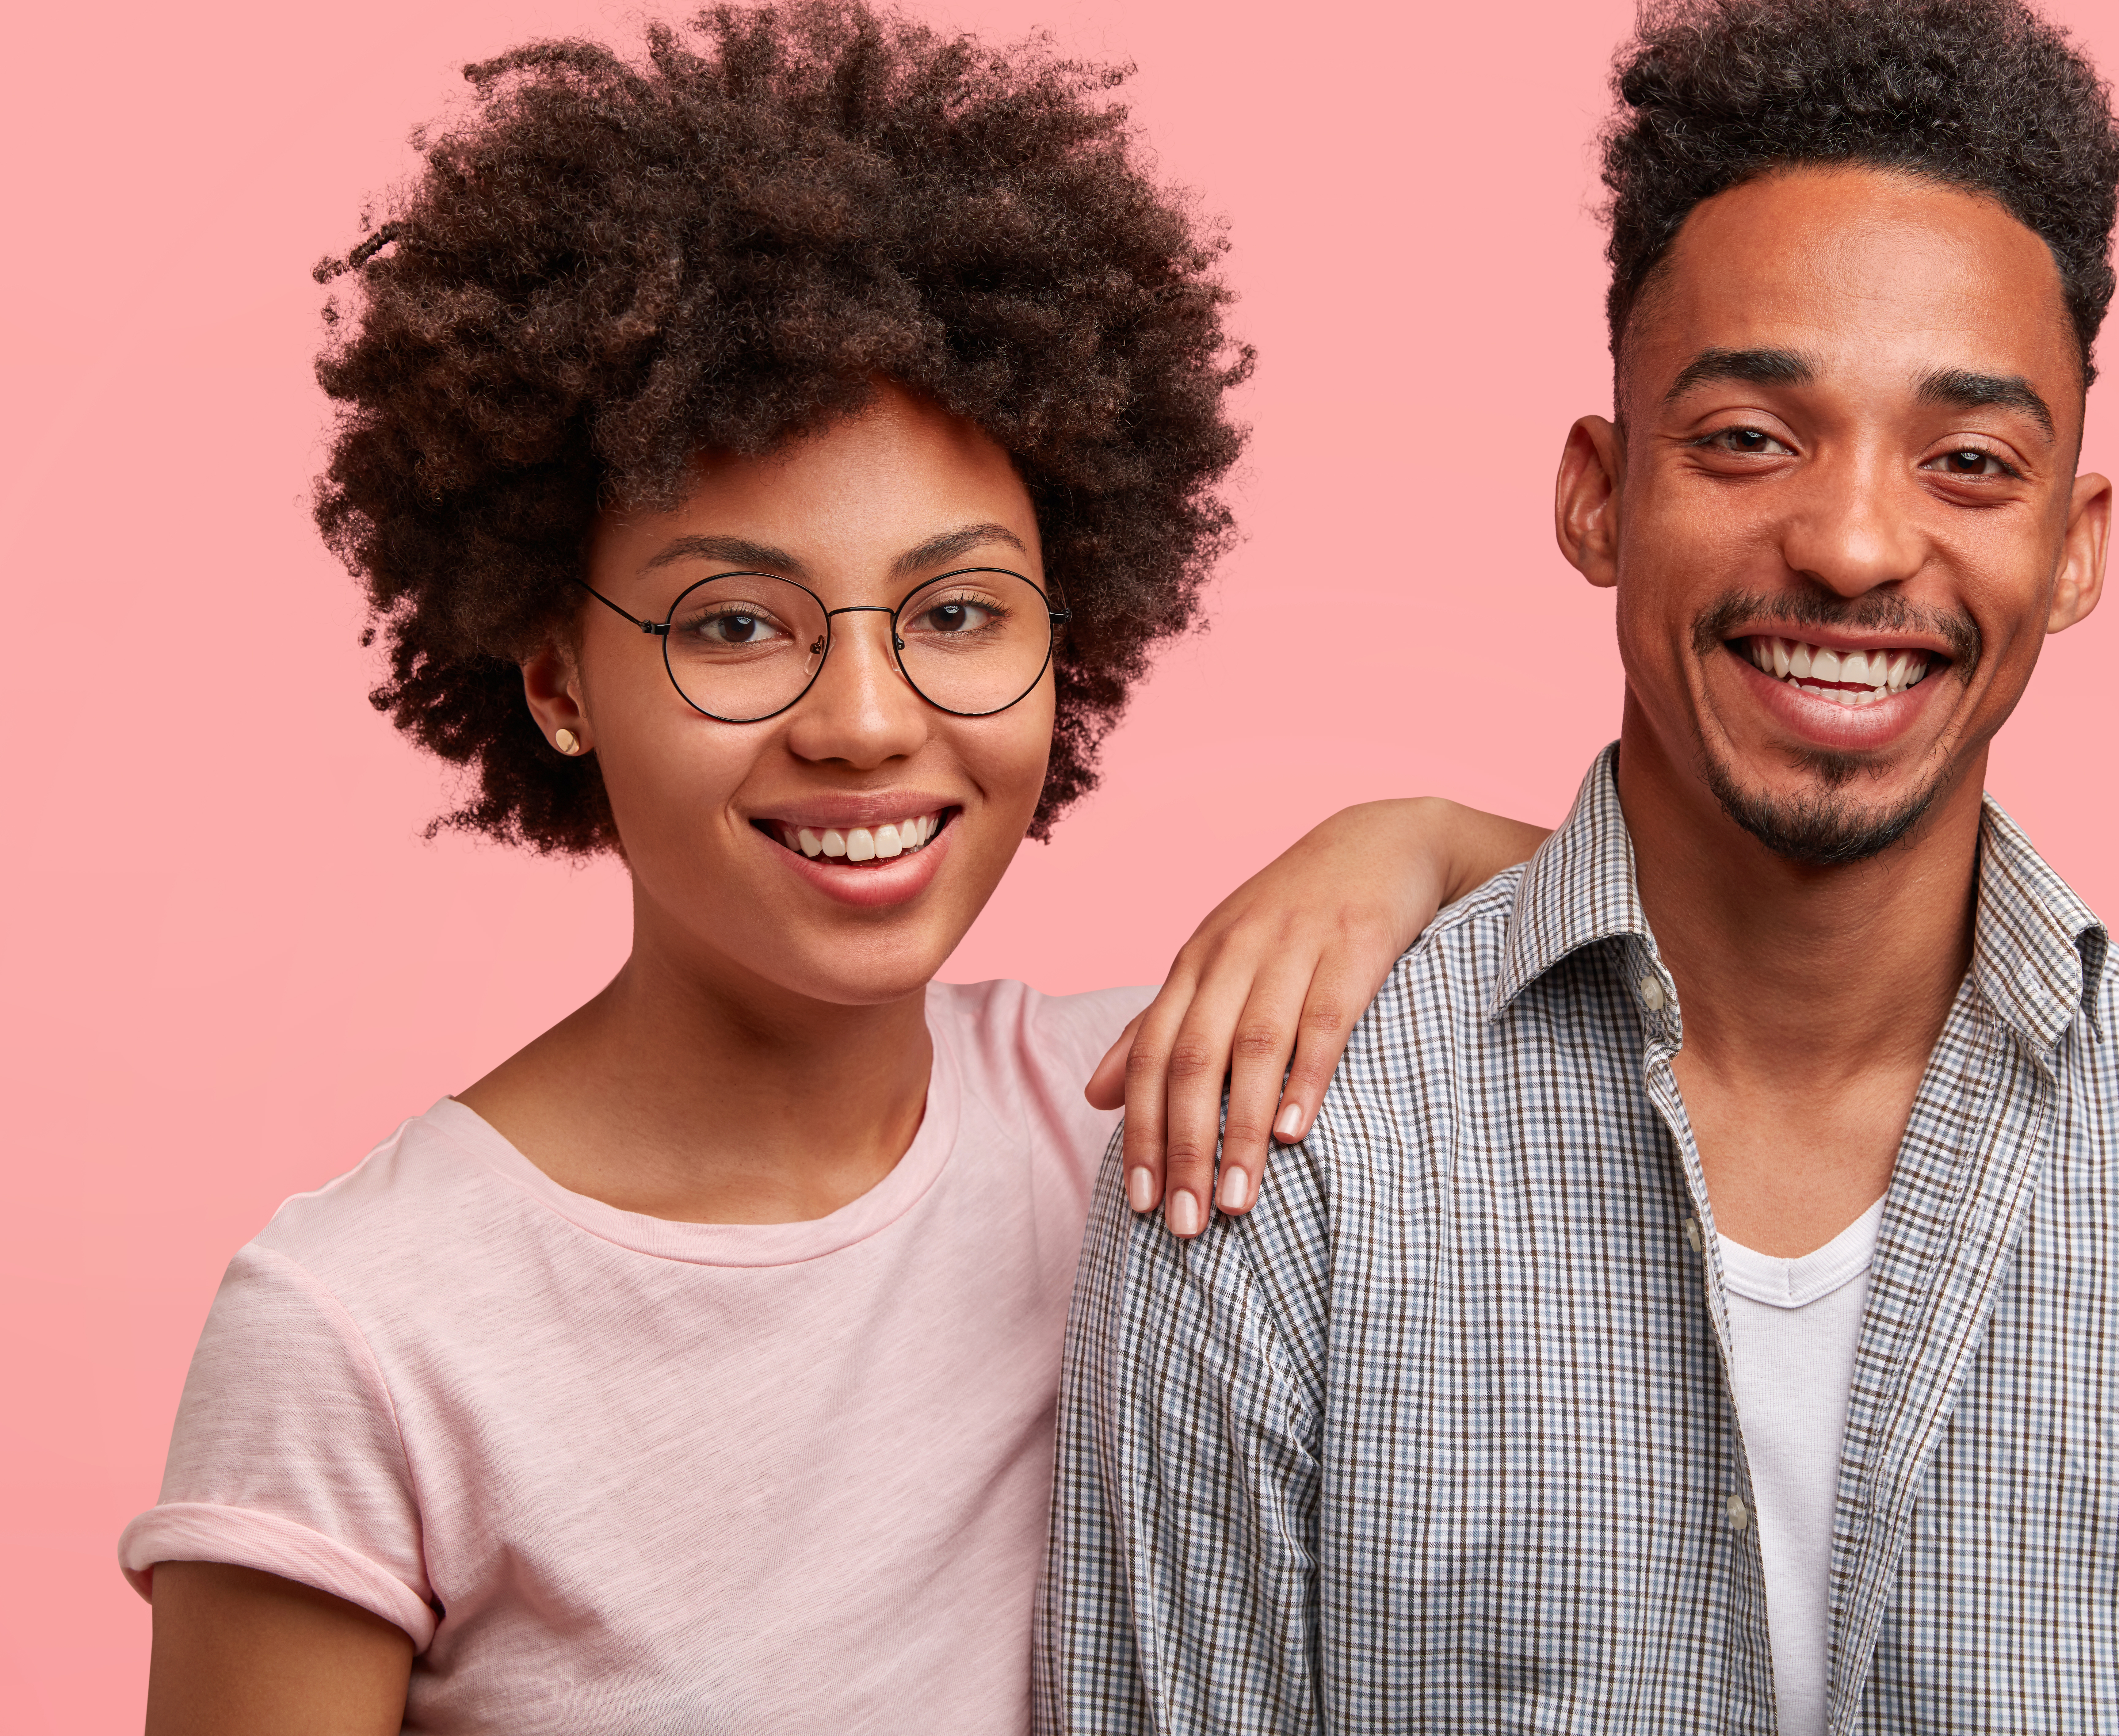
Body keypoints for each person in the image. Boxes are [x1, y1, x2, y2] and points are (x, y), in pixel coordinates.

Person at [1044, 0, 2119, 1730]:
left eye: (1970, 463)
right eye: (1747, 438)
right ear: (1598, 497)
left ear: (2074, 549)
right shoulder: (1284, 1161)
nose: (1856, 544)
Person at [118, 7, 1545, 1732]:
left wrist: (1407, 843)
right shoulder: (362, 1331)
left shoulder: (1147, 1114)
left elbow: (1706, 951)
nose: (866, 722)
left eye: (958, 613)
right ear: (556, 677)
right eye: (735, 624)